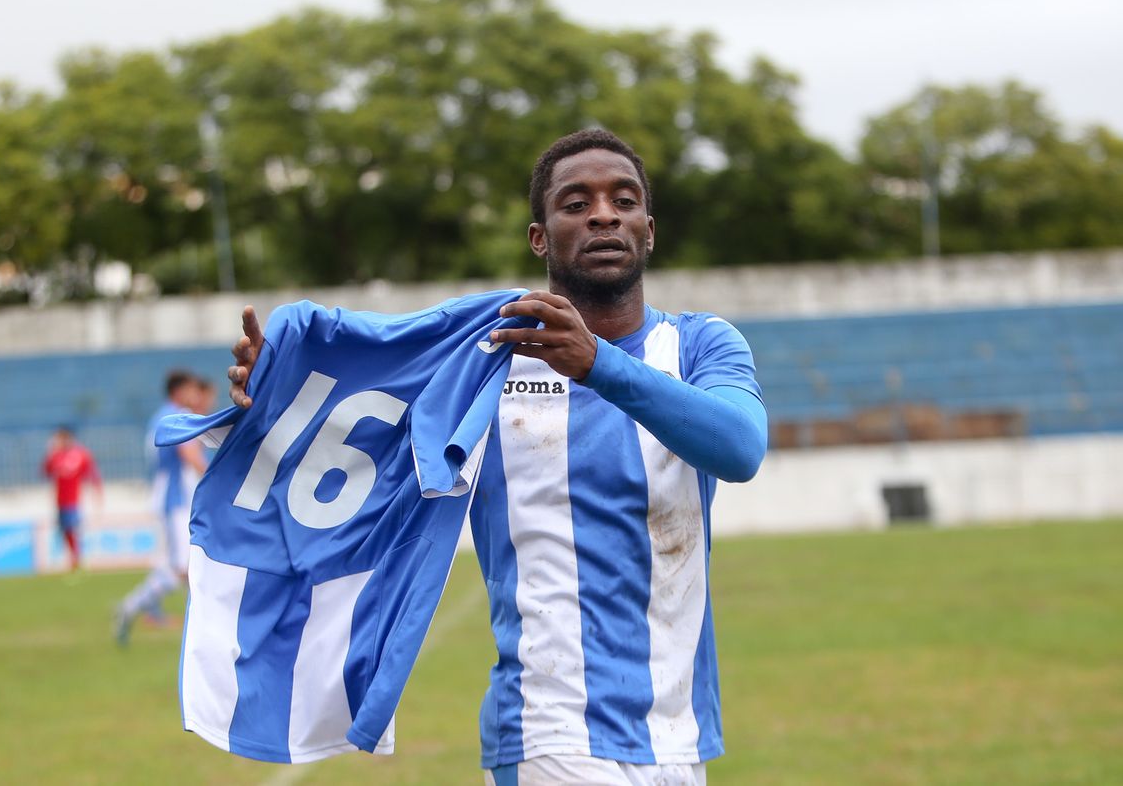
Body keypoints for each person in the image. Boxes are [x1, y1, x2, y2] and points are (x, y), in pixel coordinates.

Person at [225, 129, 768, 784]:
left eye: (623, 201)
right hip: (550, 734)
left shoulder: (701, 346)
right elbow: (358, 434)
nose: (603, 214)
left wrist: (598, 366)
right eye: (576, 203)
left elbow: (740, 447)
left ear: (648, 231)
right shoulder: (486, 360)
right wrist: (279, 394)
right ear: (539, 237)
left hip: (679, 739)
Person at [113, 370, 209, 645]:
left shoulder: (161, 416)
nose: (195, 395)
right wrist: (218, 477)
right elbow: (188, 454)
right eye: (191, 389)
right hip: (175, 499)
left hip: (169, 496)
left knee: (183, 565)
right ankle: (129, 607)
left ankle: (198, 625)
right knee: (182, 567)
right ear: (179, 391)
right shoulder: (176, 416)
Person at [42, 425, 102, 572]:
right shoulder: (56, 455)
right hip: (60, 501)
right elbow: (46, 471)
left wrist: (98, 492)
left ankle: (77, 560)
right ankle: (73, 560)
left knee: (73, 529)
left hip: (74, 500)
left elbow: (92, 473)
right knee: (64, 530)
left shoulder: (81, 454)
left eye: (60, 437)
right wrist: (50, 453)